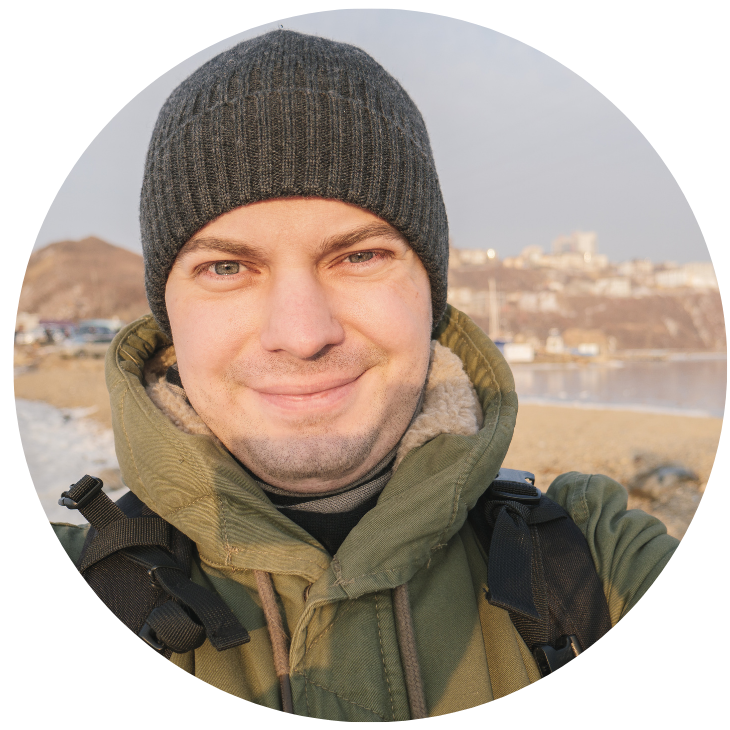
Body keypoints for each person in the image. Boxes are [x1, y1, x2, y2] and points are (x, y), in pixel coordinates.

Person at [50, 29, 683, 721]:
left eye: (359, 257)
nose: (302, 335)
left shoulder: (592, 565)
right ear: (168, 314)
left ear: (430, 292)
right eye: (227, 267)